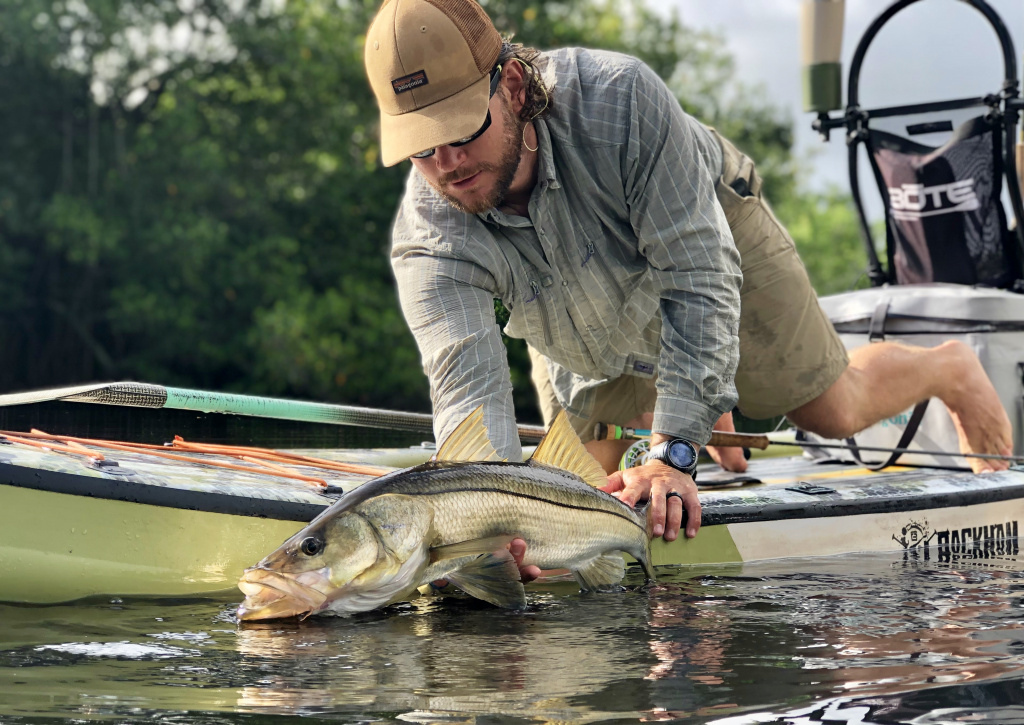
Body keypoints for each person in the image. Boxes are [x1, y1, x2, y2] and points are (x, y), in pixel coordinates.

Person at [362, 0, 1014, 546]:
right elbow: (469, 406)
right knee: (577, 494)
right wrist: (484, 538)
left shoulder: (622, 100)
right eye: (420, 146)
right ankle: (702, 405)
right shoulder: (429, 238)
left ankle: (949, 367)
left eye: (460, 129)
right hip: (582, 318)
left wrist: (674, 455)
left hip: (707, 234)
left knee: (832, 409)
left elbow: (697, 278)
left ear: (510, 87)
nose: (446, 162)